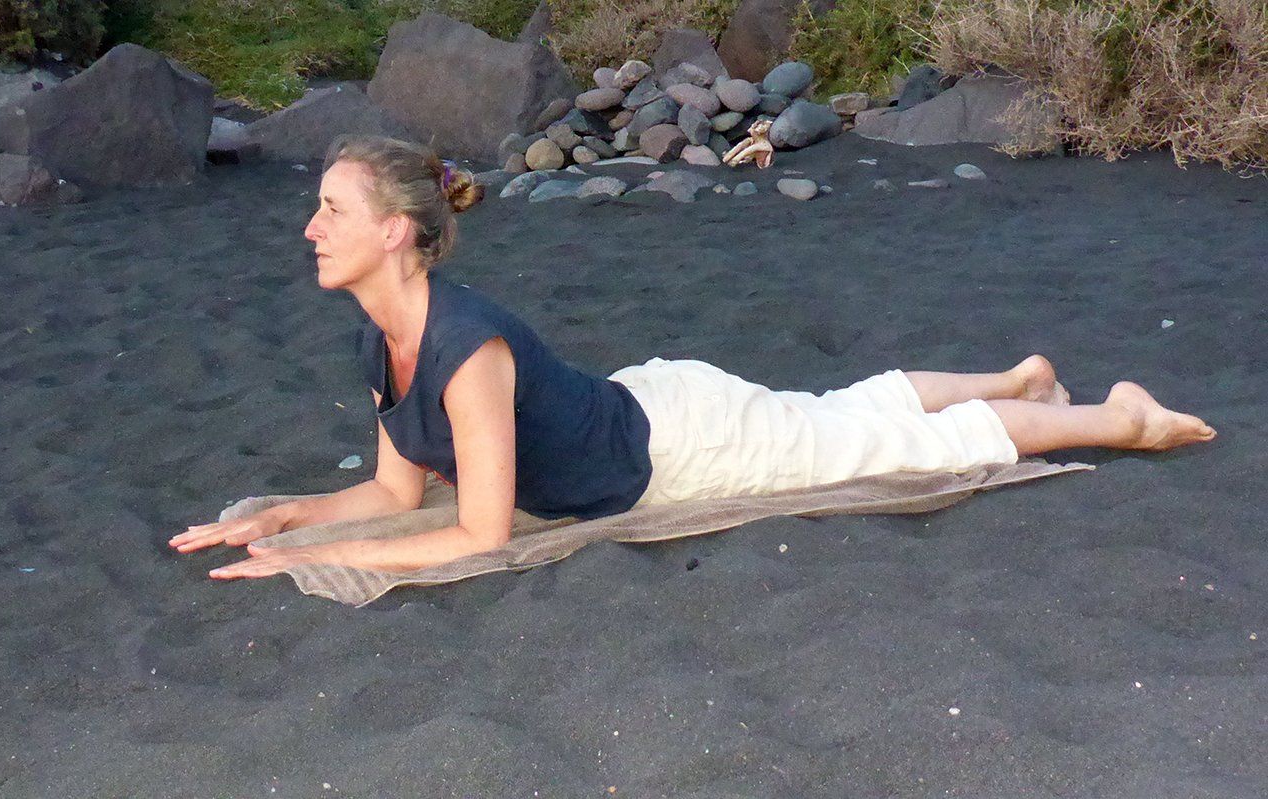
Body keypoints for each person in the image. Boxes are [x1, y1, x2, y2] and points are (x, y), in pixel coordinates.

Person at [169, 136, 1217, 579]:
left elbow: (481, 532)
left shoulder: (464, 345)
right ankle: (1011, 376)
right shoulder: (382, 334)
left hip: (683, 449)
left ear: (395, 232)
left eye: (330, 209)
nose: (309, 225)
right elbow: (399, 491)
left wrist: (325, 560)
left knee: (878, 442)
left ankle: (1114, 415)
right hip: (651, 408)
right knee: (835, 412)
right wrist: (286, 518)